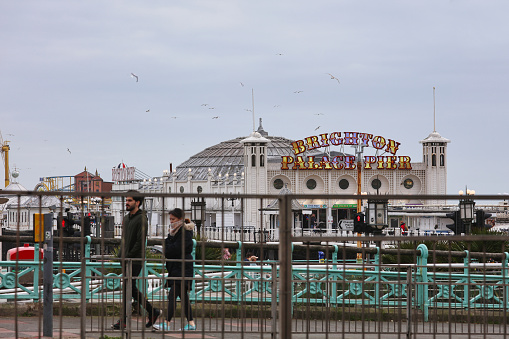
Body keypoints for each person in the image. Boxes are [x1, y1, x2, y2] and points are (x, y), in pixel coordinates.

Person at [112, 191, 160, 330]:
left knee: (129, 288)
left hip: (135, 259)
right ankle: (151, 311)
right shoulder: (127, 218)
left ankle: (126, 320)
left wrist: (129, 255)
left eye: (130, 200)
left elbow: (141, 240)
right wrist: (121, 255)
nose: (126, 202)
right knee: (129, 289)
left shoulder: (142, 219)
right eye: (126, 200)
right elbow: (124, 239)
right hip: (125, 258)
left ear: (137, 202)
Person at [153, 208, 196, 331]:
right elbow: (168, 247)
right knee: (183, 297)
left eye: (173, 219)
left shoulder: (185, 232)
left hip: (182, 268)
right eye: (170, 219)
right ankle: (191, 323)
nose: (171, 222)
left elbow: (175, 249)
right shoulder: (173, 232)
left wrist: (169, 247)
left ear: (180, 219)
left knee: (172, 295)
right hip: (176, 267)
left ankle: (166, 323)